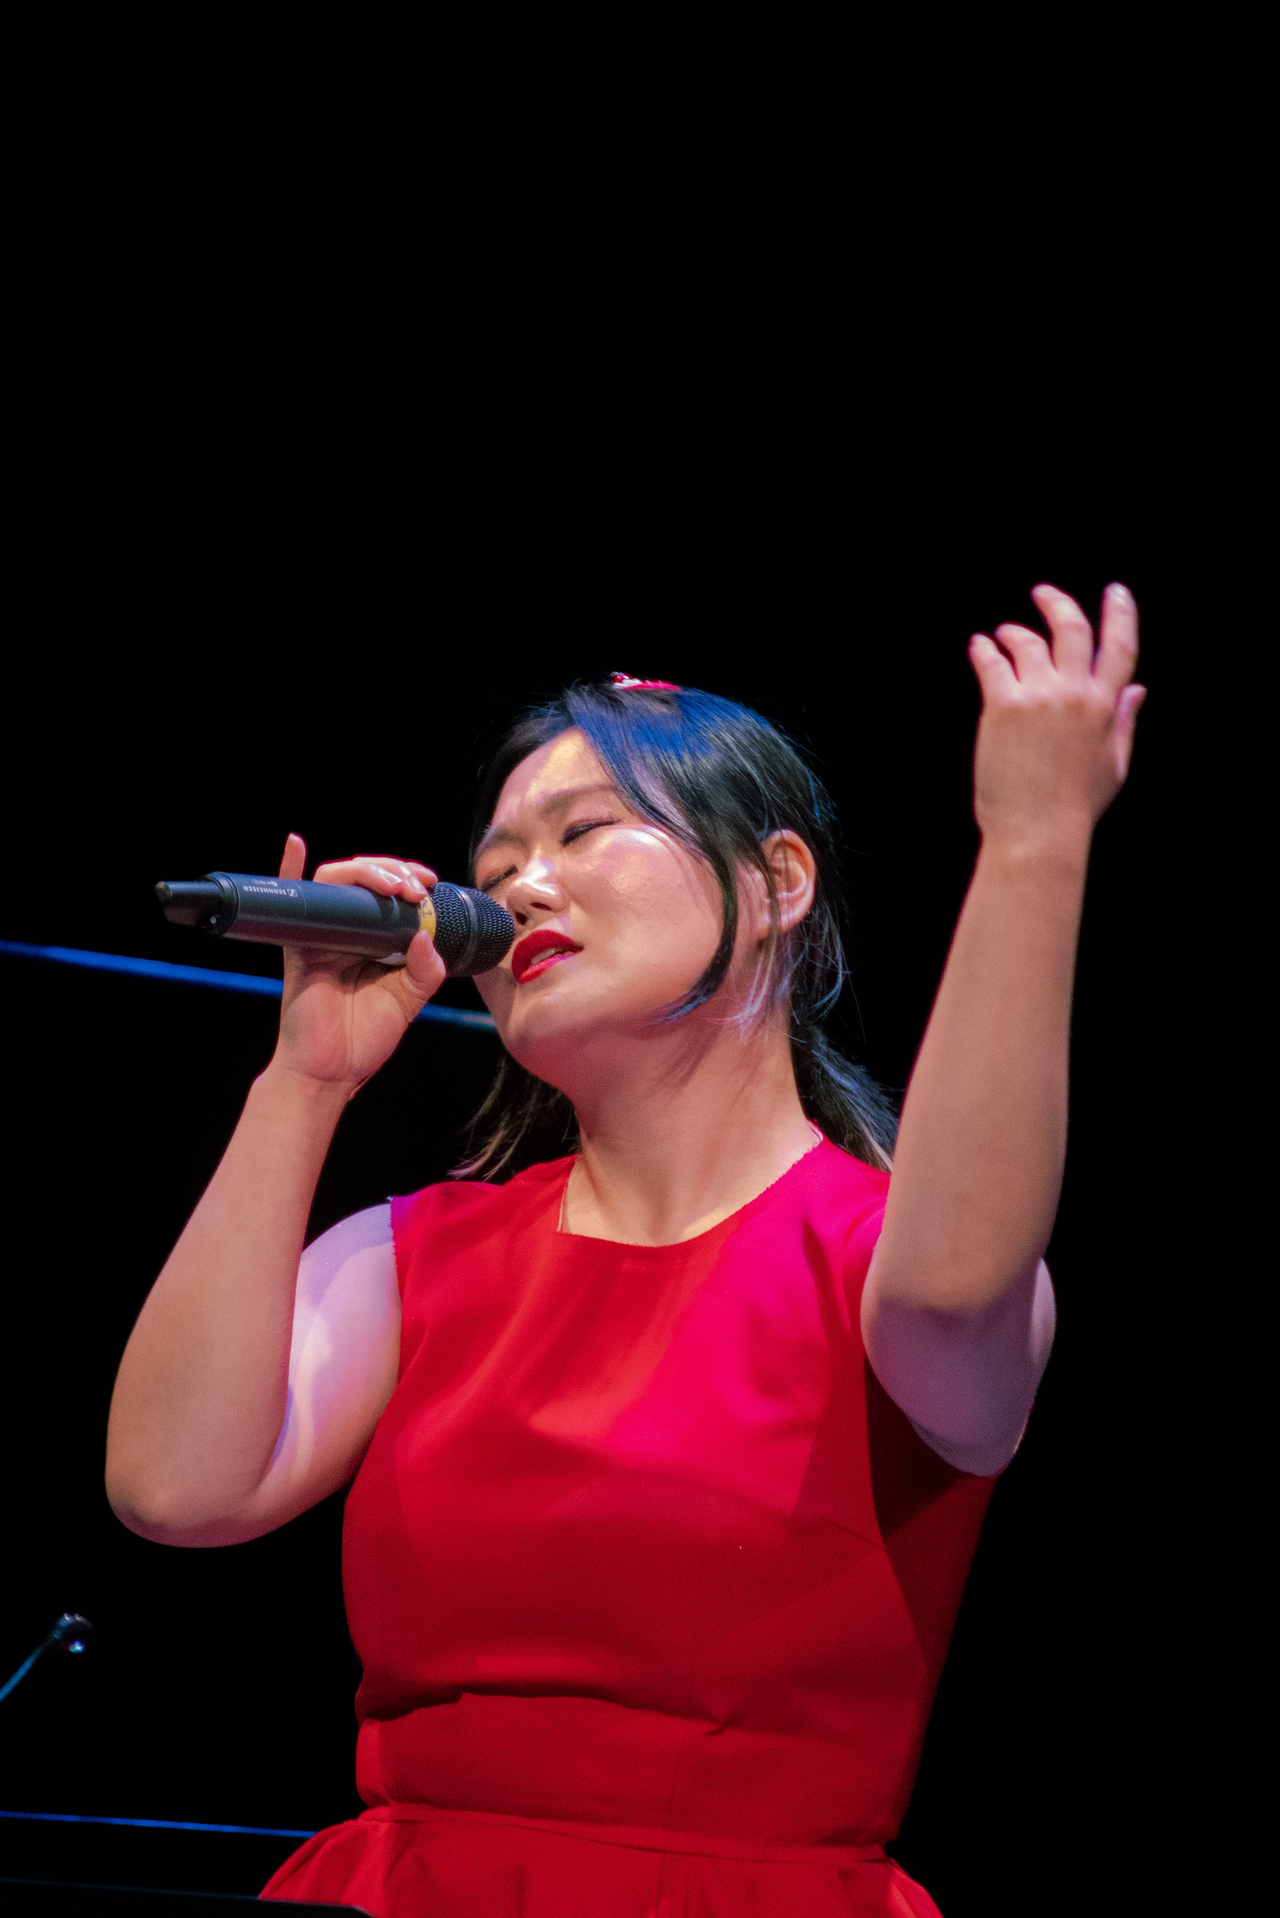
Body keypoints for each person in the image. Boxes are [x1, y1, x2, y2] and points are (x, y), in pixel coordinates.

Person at [106, 585, 1144, 1918]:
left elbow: (953, 1285)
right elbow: (175, 1484)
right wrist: (303, 1083)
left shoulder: (878, 1258)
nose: (522, 885)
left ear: (777, 883)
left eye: (585, 832)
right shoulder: (421, 1250)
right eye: (494, 872)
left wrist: (1036, 843)